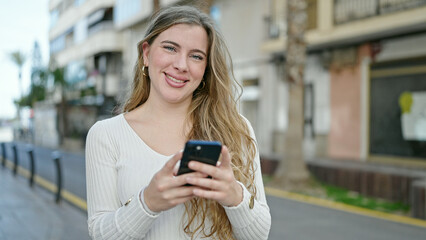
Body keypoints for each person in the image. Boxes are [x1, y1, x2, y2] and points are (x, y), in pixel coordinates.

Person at [86, 5, 271, 240]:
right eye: (170, 48)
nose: (181, 65)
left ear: (205, 69)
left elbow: (259, 235)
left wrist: (234, 195)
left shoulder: (236, 128)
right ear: (146, 53)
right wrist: (148, 202)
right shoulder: (106, 135)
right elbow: (101, 234)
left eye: (196, 56)